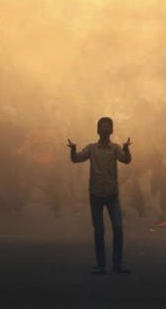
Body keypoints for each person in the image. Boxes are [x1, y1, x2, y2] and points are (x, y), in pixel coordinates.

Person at [68, 117, 132, 274]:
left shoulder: (116, 148)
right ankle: (101, 264)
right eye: (102, 127)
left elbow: (126, 160)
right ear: (98, 130)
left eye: (106, 127)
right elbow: (76, 159)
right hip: (96, 194)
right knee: (99, 231)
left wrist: (126, 149)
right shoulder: (91, 148)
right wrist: (73, 149)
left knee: (118, 228)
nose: (104, 130)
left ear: (111, 131)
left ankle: (116, 263)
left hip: (111, 194)